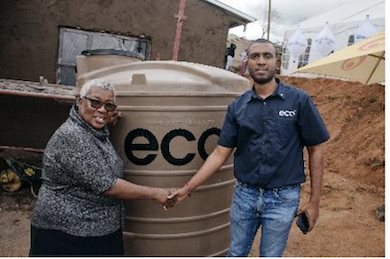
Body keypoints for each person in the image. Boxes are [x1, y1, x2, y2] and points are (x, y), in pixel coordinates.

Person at [168, 39, 330, 257]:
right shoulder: (238, 106)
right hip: (245, 195)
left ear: (277, 62)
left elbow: (316, 149)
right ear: (247, 63)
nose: (261, 62)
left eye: (267, 56)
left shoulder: (298, 101)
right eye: (255, 57)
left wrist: (315, 201)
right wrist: (188, 188)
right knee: (236, 253)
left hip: (283, 198)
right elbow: (220, 153)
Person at [29, 80, 175, 256]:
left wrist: (104, 121)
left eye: (109, 105)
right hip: (69, 232)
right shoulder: (72, 136)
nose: (102, 109)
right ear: (79, 101)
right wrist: (156, 193)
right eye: (95, 102)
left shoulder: (92, 130)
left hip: (92, 227)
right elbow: (108, 186)